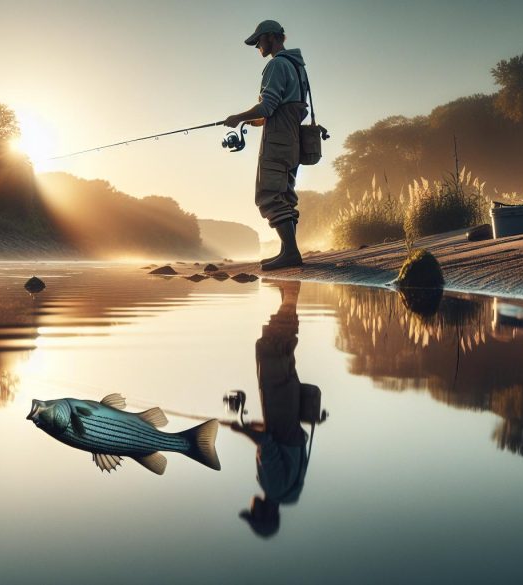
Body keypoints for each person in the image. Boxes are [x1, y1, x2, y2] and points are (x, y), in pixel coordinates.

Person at [232, 280, 317, 537]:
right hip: (280, 407)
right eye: (253, 513)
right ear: (264, 513)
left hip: (289, 408)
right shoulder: (273, 486)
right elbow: (268, 443)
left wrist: (251, 426)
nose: (251, 507)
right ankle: (290, 293)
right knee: (270, 349)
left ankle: (288, 297)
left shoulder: (291, 490)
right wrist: (241, 431)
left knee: (282, 352)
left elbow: (277, 443)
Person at [224, 20, 310, 271]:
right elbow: (283, 107)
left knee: (268, 195)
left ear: (271, 37)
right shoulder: (297, 66)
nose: (257, 46)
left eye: (258, 41)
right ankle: (287, 250)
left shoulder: (276, 64)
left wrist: (237, 117)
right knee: (285, 195)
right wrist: (252, 121)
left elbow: (268, 105)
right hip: (293, 139)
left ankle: (291, 252)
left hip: (278, 140)